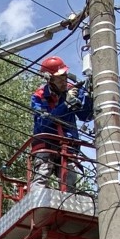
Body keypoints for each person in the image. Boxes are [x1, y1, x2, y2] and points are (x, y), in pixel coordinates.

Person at [30, 56, 93, 191]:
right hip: (47, 144)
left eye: (64, 77)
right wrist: (66, 104)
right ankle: (35, 201)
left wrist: (87, 96)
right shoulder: (39, 96)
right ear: (49, 79)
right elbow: (43, 123)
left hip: (68, 145)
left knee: (69, 183)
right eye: (60, 79)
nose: (64, 82)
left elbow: (85, 116)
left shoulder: (70, 90)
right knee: (41, 177)